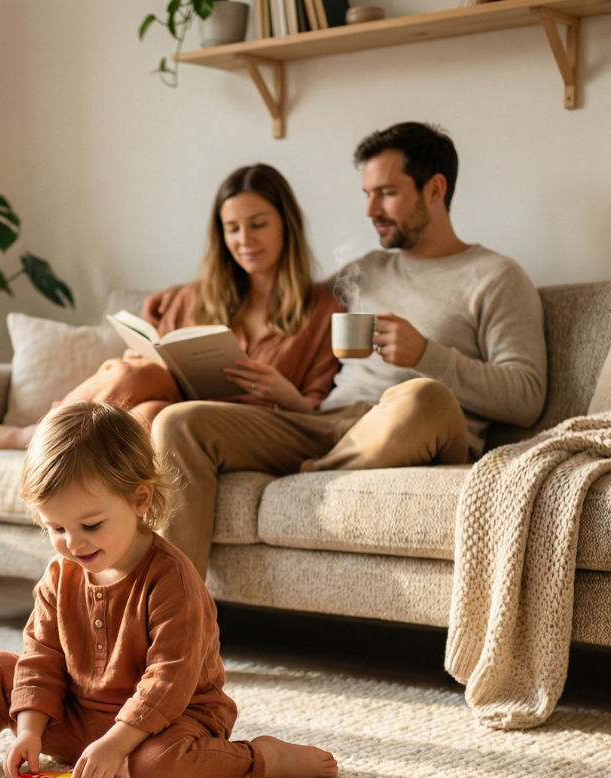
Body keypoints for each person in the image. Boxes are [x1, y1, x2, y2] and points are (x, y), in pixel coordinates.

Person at [0, 401, 338, 778]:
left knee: (155, 772)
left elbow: (168, 682)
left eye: (90, 525)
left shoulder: (172, 578)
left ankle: (262, 758)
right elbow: (41, 657)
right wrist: (30, 730)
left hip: (171, 721)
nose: (73, 543)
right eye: (56, 528)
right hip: (80, 717)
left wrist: (117, 744)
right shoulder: (60, 573)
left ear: (139, 500)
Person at [147, 122, 548, 576]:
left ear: (434, 189)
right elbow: (283, 288)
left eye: (387, 193)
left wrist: (426, 356)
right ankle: (177, 618)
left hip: (412, 428)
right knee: (180, 422)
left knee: (423, 396)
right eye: (367, 194)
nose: (370, 209)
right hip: (325, 425)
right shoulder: (367, 270)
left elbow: (527, 397)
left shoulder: (495, 277)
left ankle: (308, 472)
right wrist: (185, 292)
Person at [0, 164, 344, 450]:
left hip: (248, 425)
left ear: (286, 224)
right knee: (135, 381)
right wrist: (146, 355)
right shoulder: (196, 296)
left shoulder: (324, 311)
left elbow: (318, 415)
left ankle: (42, 436)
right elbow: (156, 357)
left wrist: (283, 391)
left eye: (258, 224)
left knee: (153, 414)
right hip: (182, 408)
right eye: (232, 228)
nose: (245, 239)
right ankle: (48, 439)